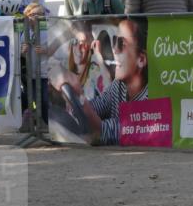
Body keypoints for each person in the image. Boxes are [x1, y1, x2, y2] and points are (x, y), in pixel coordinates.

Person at [49, 17, 148, 145]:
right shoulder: (119, 86)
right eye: (114, 41)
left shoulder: (149, 99)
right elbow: (97, 106)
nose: (114, 49)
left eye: (121, 44)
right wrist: (71, 96)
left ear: (141, 60)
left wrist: (79, 96)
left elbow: (104, 131)